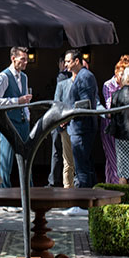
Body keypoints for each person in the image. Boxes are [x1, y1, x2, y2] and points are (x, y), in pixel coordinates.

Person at [0, 47, 32, 187]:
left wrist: (27, 117)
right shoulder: (3, 77)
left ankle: (29, 195)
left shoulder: (24, 77)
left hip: (23, 123)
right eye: (23, 59)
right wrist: (17, 101)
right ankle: (5, 197)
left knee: (27, 160)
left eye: (26, 59)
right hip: (9, 124)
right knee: (6, 162)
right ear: (13, 58)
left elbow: (25, 101)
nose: (26, 62)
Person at [63, 48, 100, 188]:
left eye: (68, 61)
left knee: (82, 168)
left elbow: (86, 104)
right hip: (81, 128)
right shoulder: (82, 75)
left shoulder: (84, 76)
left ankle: (81, 204)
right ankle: (89, 203)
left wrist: (68, 115)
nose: (65, 64)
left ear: (76, 61)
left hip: (81, 128)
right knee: (86, 166)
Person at [100, 54, 129, 184]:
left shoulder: (128, 86)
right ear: (116, 72)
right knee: (113, 160)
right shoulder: (108, 85)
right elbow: (110, 107)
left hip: (124, 127)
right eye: (121, 74)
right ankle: (117, 190)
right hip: (110, 126)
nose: (123, 78)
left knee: (117, 160)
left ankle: (110, 186)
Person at [48, 55, 74, 187]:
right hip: (63, 119)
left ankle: (55, 181)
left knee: (59, 152)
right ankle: (58, 180)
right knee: (63, 153)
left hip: (60, 119)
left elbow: (59, 101)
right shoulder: (70, 77)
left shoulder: (63, 77)